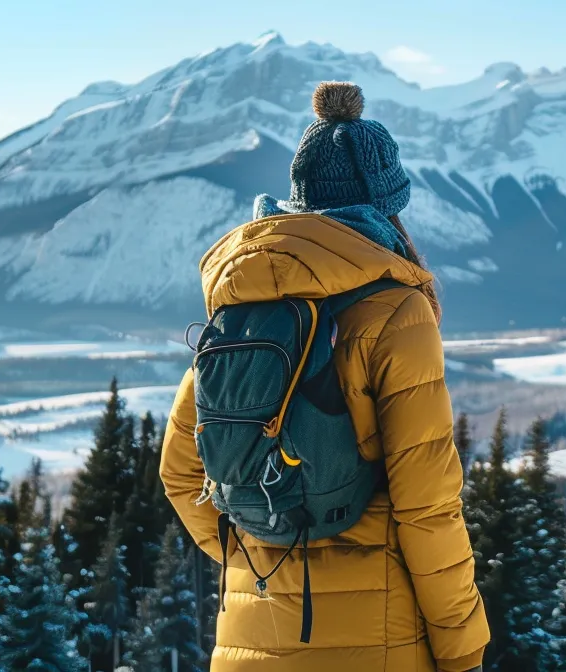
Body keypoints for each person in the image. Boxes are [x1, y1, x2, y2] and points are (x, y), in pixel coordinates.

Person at [161, 81, 487, 671]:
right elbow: (426, 505)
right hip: (375, 639)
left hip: (248, 634)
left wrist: (256, 544)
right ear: (387, 208)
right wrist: (462, 649)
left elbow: (181, 473)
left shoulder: (242, 307)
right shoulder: (397, 311)